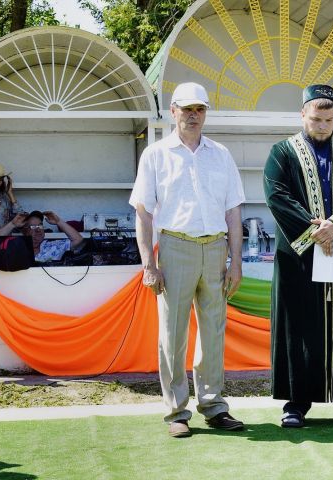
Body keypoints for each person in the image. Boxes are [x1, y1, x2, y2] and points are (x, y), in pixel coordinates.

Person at [130, 82, 246, 438]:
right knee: (172, 333)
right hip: (176, 247)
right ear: (173, 111)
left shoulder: (221, 154)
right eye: (187, 109)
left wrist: (236, 261)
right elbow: (143, 213)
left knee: (213, 331)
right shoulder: (155, 154)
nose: (194, 115)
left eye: (200, 109)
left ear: (205, 113)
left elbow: (233, 211)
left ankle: (213, 405)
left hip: (215, 248)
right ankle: (176, 411)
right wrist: (149, 264)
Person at [263, 84, 333, 428]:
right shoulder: (281, 152)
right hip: (298, 257)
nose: (322, 125)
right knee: (298, 324)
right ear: (303, 115)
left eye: (328, 119)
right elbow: (276, 195)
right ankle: (296, 402)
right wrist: (316, 231)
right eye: (316, 119)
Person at [0, 210, 84, 263]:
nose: (38, 230)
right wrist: (12, 224)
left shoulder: (53, 246)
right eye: (33, 226)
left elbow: (78, 239)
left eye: (40, 225)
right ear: (24, 231)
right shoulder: (15, 248)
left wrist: (58, 221)